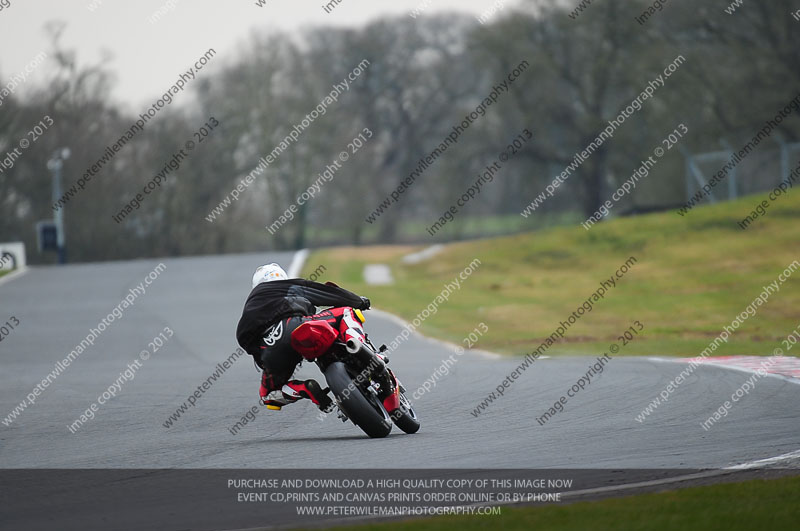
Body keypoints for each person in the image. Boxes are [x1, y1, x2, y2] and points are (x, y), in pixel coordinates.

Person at [236, 263, 371, 411]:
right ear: (282, 277)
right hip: (298, 326)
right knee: (346, 311)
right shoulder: (286, 285)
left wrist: (264, 359)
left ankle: (304, 388)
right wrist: (358, 301)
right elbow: (327, 293)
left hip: (271, 349)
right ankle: (356, 344)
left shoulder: (250, 305)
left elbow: (243, 338)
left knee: (267, 395)